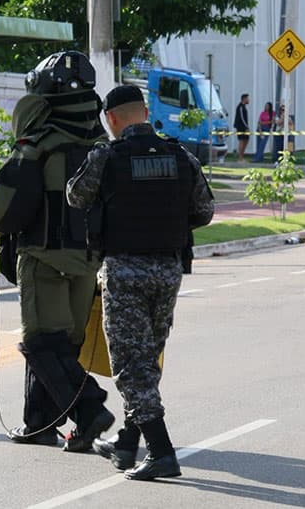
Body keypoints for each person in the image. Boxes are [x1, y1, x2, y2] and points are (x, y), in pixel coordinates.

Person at [66, 85, 214, 480]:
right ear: (145, 113)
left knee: (131, 366)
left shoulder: (107, 156)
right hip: (168, 270)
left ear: (111, 120)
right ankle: (129, 441)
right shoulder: (180, 155)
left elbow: (76, 197)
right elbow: (204, 210)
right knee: (147, 359)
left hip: (125, 270)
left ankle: (162, 451)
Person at [0, 51, 115, 451]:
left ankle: (90, 409)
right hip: (88, 262)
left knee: (40, 344)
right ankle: (40, 423)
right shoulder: (102, 146)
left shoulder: (36, 145)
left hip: (43, 258)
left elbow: (4, 210)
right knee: (64, 345)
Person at [233, 93, 250, 161]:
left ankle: (242, 156)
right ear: (244, 99)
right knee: (242, 141)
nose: (249, 100)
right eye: (248, 99)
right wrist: (246, 127)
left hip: (244, 127)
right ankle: (240, 158)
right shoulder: (240, 107)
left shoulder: (244, 107)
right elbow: (242, 118)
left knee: (246, 140)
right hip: (241, 127)